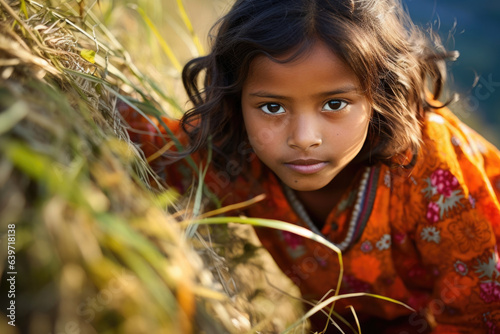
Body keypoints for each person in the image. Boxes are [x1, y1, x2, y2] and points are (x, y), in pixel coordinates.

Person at [120, 0, 500, 332]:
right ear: (235, 103)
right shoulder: (234, 156)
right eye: (272, 106)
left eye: (334, 104)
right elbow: (143, 143)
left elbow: (479, 315)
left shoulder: (428, 166)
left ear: (379, 95)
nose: (303, 138)